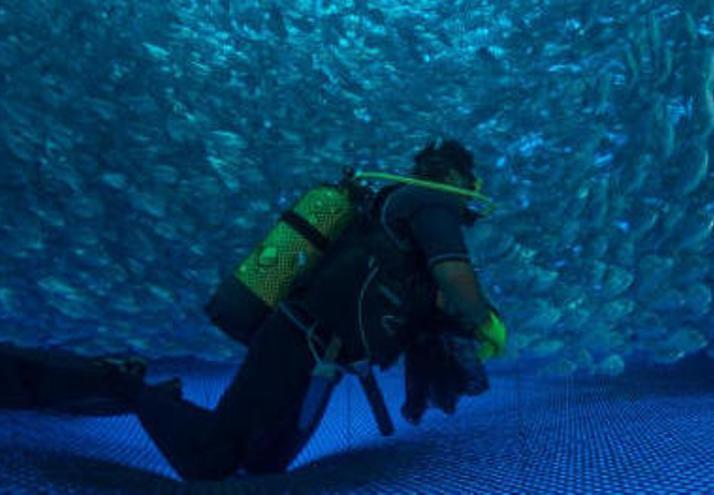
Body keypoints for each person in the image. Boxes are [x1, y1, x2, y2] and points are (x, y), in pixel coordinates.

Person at [0, 138, 508, 481]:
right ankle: (122, 382)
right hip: (297, 342)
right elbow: (454, 277)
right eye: (473, 183)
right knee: (212, 463)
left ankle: (160, 398)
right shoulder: (433, 204)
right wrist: (483, 321)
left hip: (321, 359)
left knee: (265, 464)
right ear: (462, 180)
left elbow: (407, 299)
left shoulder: (399, 214)